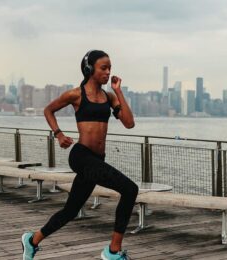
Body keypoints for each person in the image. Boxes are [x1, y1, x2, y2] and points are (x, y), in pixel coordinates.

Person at [21, 50, 138, 260]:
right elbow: (48, 110)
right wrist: (58, 134)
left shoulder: (109, 97)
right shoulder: (76, 94)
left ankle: (32, 240)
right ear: (89, 69)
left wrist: (118, 91)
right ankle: (113, 252)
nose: (108, 71)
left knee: (70, 211)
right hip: (81, 156)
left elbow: (129, 123)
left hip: (96, 160)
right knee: (130, 189)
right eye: (104, 67)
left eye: (110, 67)